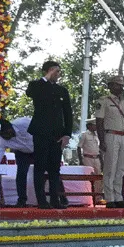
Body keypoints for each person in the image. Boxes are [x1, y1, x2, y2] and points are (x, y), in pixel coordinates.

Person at [26, 61, 73, 210]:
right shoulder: (37, 85)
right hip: (41, 132)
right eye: (56, 71)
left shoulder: (62, 90)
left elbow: (68, 113)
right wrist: (46, 77)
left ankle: (55, 199)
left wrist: (67, 134)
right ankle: (41, 200)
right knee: (40, 166)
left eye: (59, 72)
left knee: (54, 168)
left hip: (57, 135)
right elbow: (30, 93)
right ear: (49, 71)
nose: (58, 75)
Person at [96, 75, 124, 208]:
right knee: (110, 167)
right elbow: (99, 121)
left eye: (122, 85)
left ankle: (119, 197)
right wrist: (101, 140)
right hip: (111, 134)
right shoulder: (104, 100)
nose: (121, 87)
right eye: (117, 84)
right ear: (110, 86)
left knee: (121, 168)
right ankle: (109, 198)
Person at [0, 116, 34, 207]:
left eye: (8, 133)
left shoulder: (23, 123)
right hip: (22, 153)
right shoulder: (3, 141)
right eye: (3, 135)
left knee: (47, 171)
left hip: (39, 147)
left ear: (11, 126)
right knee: (21, 174)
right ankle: (22, 200)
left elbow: (40, 127)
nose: (7, 136)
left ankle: (56, 198)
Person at [78, 119, 102, 199]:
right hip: (88, 158)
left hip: (96, 158)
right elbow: (79, 147)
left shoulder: (97, 135)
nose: (95, 126)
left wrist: (101, 160)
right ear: (89, 126)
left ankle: (97, 197)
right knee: (88, 178)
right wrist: (81, 160)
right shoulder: (84, 135)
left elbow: (99, 148)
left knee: (98, 178)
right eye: (94, 125)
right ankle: (88, 197)